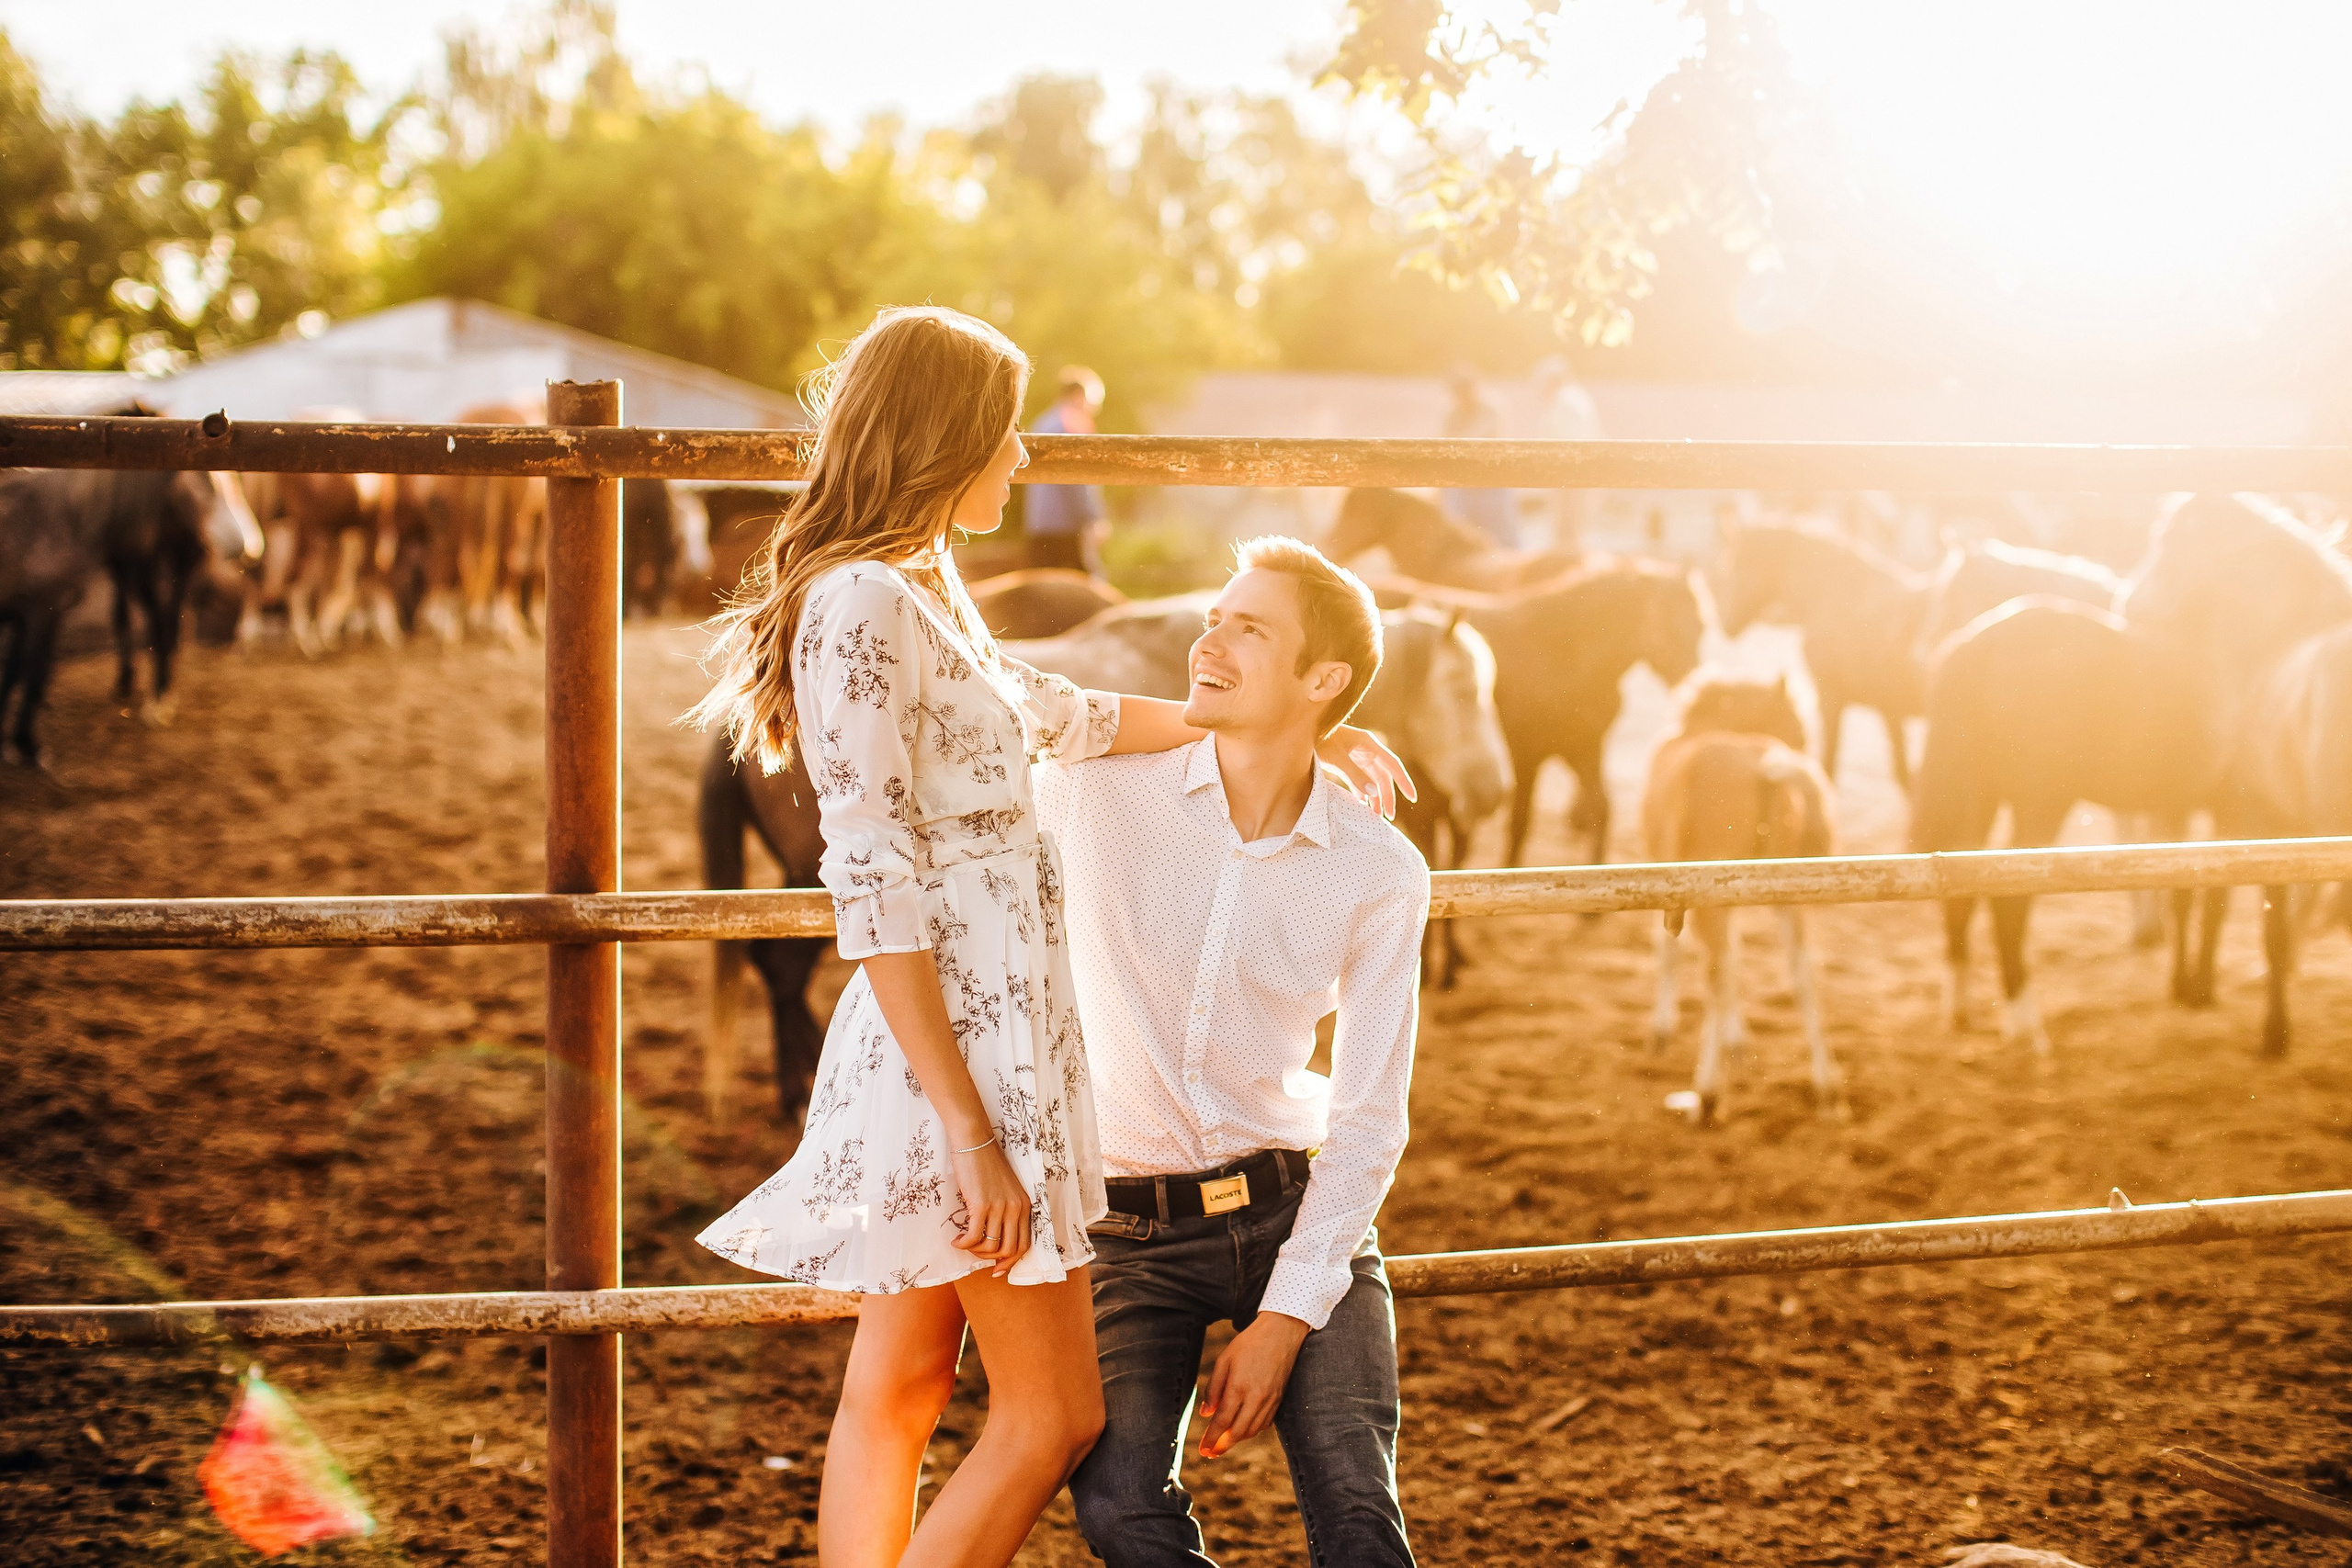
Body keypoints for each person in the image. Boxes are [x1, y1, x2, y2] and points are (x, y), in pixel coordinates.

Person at [685, 307, 1408, 1568]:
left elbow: (1055, 712)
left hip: (979, 1032)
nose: (1023, 458)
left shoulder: (913, 587)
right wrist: (969, 1124)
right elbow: (870, 876)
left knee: (902, 1385)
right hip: (959, 1047)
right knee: (1054, 1410)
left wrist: (1276, 727)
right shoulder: (860, 600)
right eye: (1008, 431)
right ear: (949, 432)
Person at [1039, 536, 1431, 1568]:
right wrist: (1292, 729)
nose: (1208, 638)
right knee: (1120, 1507)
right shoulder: (1093, 796)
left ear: (1323, 679)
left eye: (1248, 627)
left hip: (1296, 1210)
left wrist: (1287, 1316)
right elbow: (968, 722)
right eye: (1214, 617)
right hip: (1126, 1228)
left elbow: (1368, 1119)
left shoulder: (1378, 869)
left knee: (1357, 1514)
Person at [1024, 365, 1106, 575]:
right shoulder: (1074, 422)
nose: (1094, 408)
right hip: (1068, 529)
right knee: (1086, 593)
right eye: (1094, 402)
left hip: (1039, 526)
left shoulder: (1042, 422)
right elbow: (1079, 478)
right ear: (1079, 396)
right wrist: (1092, 518)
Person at [1441, 366, 1512, 547]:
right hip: (1464, 484)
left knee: (1501, 533)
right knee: (1462, 528)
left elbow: (1477, 439)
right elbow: (1444, 447)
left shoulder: (1490, 409)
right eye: (1458, 393)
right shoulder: (1453, 415)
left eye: (1466, 391)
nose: (1463, 397)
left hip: (1492, 481)